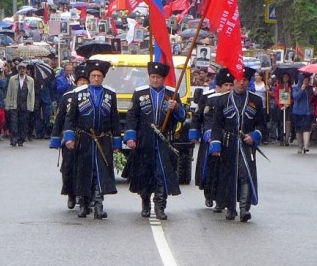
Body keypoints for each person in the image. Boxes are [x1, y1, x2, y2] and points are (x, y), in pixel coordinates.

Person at [124, 62, 186, 220]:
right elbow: (132, 116)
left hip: (164, 140)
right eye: (153, 77)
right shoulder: (139, 93)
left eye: (158, 77)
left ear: (163, 78)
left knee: (162, 173)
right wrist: (130, 136)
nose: (155, 80)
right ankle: (145, 202)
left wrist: (177, 108)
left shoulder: (172, 94)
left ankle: (160, 206)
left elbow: (182, 117)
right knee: (145, 173)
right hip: (145, 139)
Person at [63, 60, 121, 219]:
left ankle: (98, 205)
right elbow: (70, 118)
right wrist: (69, 137)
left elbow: (114, 119)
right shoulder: (78, 94)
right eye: (93, 76)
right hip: (84, 140)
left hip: (102, 141)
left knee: (100, 173)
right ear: (89, 77)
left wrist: (117, 141)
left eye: (99, 76)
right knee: (83, 172)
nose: (96, 78)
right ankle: (83, 204)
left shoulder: (110, 94)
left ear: (103, 78)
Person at [209, 67, 266, 222]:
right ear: (233, 81)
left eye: (245, 80)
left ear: (249, 82)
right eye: (238, 80)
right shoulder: (222, 100)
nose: (241, 83)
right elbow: (216, 125)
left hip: (246, 145)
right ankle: (230, 207)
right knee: (228, 176)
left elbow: (262, 125)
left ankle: (244, 209)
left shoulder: (256, 100)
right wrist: (216, 145)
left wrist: (254, 136)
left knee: (245, 176)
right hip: (228, 143)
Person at [190, 68, 235, 210]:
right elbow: (200, 116)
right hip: (210, 138)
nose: (228, 88)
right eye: (225, 85)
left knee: (224, 171)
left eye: (230, 85)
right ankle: (209, 194)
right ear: (219, 86)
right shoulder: (208, 97)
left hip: (228, 139)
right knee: (209, 169)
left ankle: (221, 200)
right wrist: (197, 133)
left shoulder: (235, 99)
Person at [50, 67, 90, 210]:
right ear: (76, 82)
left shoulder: (92, 96)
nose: (83, 84)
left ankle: (86, 196)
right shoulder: (67, 96)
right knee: (69, 168)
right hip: (70, 137)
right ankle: (71, 195)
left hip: (87, 137)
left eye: (86, 81)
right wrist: (55, 137)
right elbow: (60, 119)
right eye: (81, 81)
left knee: (85, 169)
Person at [5, 62, 35, 147]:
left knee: (23, 123)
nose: (22, 70)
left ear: (26, 70)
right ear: (18, 70)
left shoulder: (30, 80)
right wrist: (8, 104)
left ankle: (21, 139)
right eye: (20, 68)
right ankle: (14, 139)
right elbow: (9, 92)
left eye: (24, 68)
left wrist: (31, 106)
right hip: (14, 103)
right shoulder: (12, 79)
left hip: (25, 104)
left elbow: (32, 94)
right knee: (14, 123)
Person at [291, 73, 314, 154]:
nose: (306, 82)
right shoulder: (295, 88)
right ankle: (300, 146)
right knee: (299, 130)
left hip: (307, 112)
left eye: (308, 80)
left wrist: (316, 93)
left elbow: (312, 98)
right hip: (297, 111)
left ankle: (306, 145)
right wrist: (301, 89)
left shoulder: (310, 88)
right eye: (305, 80)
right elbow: (296, 97)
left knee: (307, 128)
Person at [274, 72, 293, 145]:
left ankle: (287, 139)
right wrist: (280, 106)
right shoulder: (279, 86)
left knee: (288, 122)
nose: (285, 78)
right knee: (281, 123)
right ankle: (281, 138)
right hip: (281, 107)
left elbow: (293, 97)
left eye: (287, 77)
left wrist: (289, 103)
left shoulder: (291, 87)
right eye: (284, 77)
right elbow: (276, 97)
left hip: (288, 107)